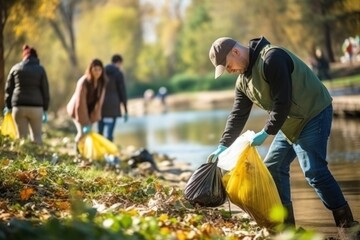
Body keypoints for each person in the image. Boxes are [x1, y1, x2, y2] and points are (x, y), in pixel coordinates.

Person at [207, 36, 359, 236]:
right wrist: (223, 145)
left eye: (227, 65)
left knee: (314, 171)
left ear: (235, 52)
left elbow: (283, 102)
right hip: (289, 121)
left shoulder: (272, 58)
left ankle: (348, 227)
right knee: (274, 167)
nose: (229, 70)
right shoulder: (243, 81)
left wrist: (266, 132)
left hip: (313, 112)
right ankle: (288, 230)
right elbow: (237, 115)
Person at [4, 45, 50, 144]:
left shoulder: (15, 68)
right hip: (36, 108)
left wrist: (8, 106)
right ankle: (38, 158)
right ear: (36, 57)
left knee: (21, 138)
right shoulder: (40, 70)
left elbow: (8, 89)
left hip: (19, 107)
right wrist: (45, 109)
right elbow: (45, 90)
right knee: (37, 137)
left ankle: (23, 158)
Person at [67, 58, 107, 153]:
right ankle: (77, 151)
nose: (97, 72)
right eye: (95, 69)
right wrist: (85, 122)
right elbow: (80, 103)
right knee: (81, 133)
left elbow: (99, 104)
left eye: (99, 69)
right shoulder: (83, 82)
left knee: (88, 134)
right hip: (76, 110)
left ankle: (85, 153)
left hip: (89, 112)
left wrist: (92, 119)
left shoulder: (102, 83)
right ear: (90, 70)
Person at [97, 54, 128, 142]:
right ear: (119, 62)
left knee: (100, 130)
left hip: (102, 105)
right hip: (114, 106)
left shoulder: (101, 72)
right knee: (110, 133)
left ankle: (100, 149)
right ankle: (109, 149)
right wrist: (125, 110)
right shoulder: (118, 73)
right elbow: (122, 92)